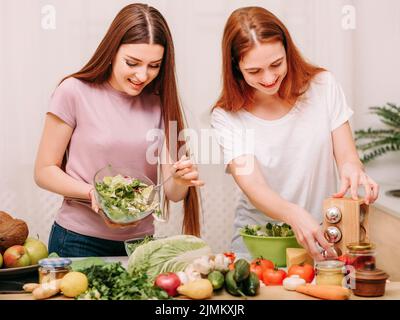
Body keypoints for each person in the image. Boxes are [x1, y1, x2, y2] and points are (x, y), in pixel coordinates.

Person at [34, 3, 204, 257]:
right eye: (132, 62)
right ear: (112, 50)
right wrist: (93, 193)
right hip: (78, 240)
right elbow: (44, 171)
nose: (143, 75)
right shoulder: (73, 91)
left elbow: (172, 193)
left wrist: (179, 180)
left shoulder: (158, 102)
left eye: (154, 65)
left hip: (139, 244)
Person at [211, 6, 379, 261]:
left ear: (288, 51)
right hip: (259, 240)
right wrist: (294, 214)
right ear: (236, 67)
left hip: (322, 234)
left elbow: (347, 156)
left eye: (276, 64)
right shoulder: (227, 116)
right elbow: (254, 185)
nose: (268, 78)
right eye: (254, 71)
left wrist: (353, 169)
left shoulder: (323, 86)